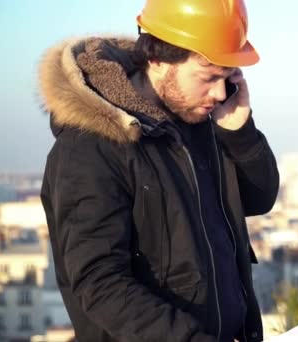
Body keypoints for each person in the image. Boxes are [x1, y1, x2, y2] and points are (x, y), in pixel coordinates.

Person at [38, 0, 279, 341]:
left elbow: (258, 198)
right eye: (208, 77)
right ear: (158, 59)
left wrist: (239, 133)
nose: (220, 92)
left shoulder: (199, 121)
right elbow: (100, 284)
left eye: (227, 78)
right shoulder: (90, 147)